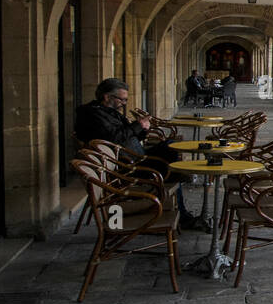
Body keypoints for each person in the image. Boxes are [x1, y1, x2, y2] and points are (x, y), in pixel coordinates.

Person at [76, 78, 201, 229]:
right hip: (128, 166)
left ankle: (178, 174)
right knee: (168, 166)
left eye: (125, 99)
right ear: (107, 97)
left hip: (136, 156)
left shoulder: (110, 112)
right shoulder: (93, 115)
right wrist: (138, 125)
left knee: (171, 146)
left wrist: (142, 129)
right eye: (121, 99)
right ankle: (178, 185)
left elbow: (127, 135)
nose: (124, 103)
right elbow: (114, 138)